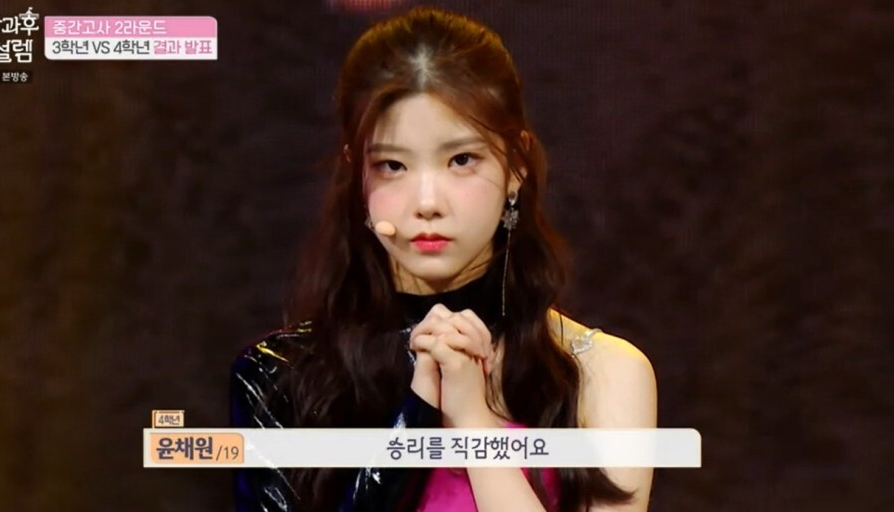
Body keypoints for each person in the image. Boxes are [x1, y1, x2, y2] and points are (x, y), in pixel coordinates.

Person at [229, 6, 657, 512]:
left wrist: (474, 423)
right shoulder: (280, 376)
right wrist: (417, 413)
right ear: (356, 175)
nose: (427, 202)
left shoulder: (601, 375)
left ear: (516, 166)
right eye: (392, 166)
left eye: (461, 160)